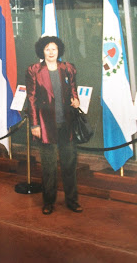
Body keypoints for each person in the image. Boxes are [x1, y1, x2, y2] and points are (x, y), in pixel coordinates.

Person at [25, 36, 82, 215]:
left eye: (54, 49)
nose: (51, 52)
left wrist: (76, 99)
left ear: (59, 51)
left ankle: (72, 201)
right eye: (48, 49)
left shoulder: (68, 68)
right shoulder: (33, 70)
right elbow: (32, 99)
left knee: (69, 164)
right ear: (42, 51)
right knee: (49, 167)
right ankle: (48, 202)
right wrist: (34, 124)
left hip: (67, 124)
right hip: (45, 125)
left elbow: (73, 88)